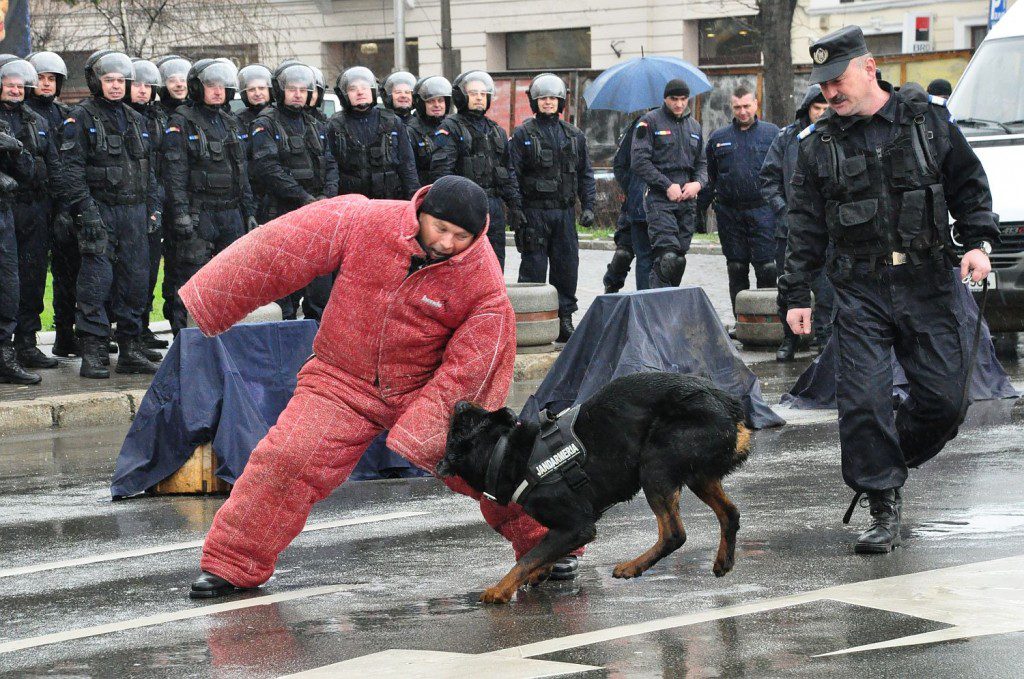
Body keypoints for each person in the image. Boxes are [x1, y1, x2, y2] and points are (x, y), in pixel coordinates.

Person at [182, 175, 559, 597]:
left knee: (492, 467)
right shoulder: (366, 219)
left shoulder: (482, 280)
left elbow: (474, 364)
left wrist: (431, 430)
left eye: (461, 237)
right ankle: (232, 565)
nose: (448, 243)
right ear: (420, 212)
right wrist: (212, 298)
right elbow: (283, 247)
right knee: (287, 458)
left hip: (426, 390)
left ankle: (552, 547)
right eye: (440, 229)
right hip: (341, 376)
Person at [779, 26, 999, 554]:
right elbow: (804, 225)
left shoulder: (926, 121)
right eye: (822, 84)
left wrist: (979, 243)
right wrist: (795, 295)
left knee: (946, 401)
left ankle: (886, 462)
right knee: (862, 402)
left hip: (927, 281)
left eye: (837, 79)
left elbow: (969, 185)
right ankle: (882, 500)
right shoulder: (818, 146)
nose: (830, 93)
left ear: (868, 66)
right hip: (859, 288)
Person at [62, 50, 161, 378]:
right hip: (100, 211)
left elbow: (148, 171)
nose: (116, 86)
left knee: (135, 281)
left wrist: (152, 208)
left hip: (134, 212)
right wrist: (86, 211)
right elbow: (71, 170)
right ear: (95, 82)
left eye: (121, 81)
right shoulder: (81, 118)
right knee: (96, 282)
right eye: (109, 81)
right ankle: (94, 352)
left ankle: (131, 349)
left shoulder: (137, 119)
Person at [162, 59, 256, 335]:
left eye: (222, 86)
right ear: (197, 87)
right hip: (198, 213)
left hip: (230, 212)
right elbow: (175, 173)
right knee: (191, 278)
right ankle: (185, 338)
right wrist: (180, 213)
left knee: (232, 277)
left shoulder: (230, 122)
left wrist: (248, 211)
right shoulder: (181, 121)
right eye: (211, 85)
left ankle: (226, 334)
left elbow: (242, 172)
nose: (217, 91)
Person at [509, 73, 595, 342]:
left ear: (561, 102)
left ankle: (564, 320)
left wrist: (588, 206)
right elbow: (512, 173)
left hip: (564, 213)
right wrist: (516, 209)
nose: (548, 102)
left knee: (566, 267)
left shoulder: (574, 135)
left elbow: (585, 175)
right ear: (535, 102)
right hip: (534, 212)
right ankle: (528, 320)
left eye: (553, 98)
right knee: (533, 267)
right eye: (543, 98)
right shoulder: (523, 134)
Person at [251, 61, 338, 321]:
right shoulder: (265, 124)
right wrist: (304, 198)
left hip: (316, 214)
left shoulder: (316, 124)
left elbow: (331, 164)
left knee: (320, 289)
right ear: (281, 90)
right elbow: (268, 168)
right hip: (281, 212)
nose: (298, 94)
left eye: (303, 89)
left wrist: (326, 198)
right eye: (292, 89)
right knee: (283, 286)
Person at [0, 57, 65, 372]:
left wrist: (16, 152)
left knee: (33, 277)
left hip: (35, 208)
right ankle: (5, 349)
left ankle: (26, 343)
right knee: (6, 280)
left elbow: (47, 167)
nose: (14, 89)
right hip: (5, 206)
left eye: (18, 85)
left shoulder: (36, 120)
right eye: (8, 84)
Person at [759, 85, 831, 361]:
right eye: (817, 108)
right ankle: (789, 339)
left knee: (827, 291)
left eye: (826, 109)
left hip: (825, 229)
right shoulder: (787, 138)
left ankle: (824, 342)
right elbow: (769, 179)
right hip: (788, 229)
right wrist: (785, 213)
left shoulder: (835, 135)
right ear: (807, 109)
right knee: (788, 286)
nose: (822, 114)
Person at [430, 70, 525, 270]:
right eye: (474, 94)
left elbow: (508, 172)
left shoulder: (496, 130)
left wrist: (516, 206)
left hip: (494, 207)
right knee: (463, 264)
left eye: (483, 94)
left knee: (495, 264)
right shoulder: (449, 128)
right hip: (464, 205)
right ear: (462, 96)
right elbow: (442, 173)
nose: (480, 98)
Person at [700, 86, 781, 315]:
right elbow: (710, 177)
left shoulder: (772, 134)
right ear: (731, 107)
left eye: (747, 106)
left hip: (763, 211)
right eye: (737, 107)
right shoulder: (718, 138)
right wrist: (700, 210)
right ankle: (742, 320)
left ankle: (768, 320)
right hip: (730, 214)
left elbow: (783, 172)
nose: (743, 111)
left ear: (756, 103)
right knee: (736, 267)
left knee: (767, 268)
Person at [26, 51, 80, 359]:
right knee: (29, 274)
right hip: (32, 202)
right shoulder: (20, 113)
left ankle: (65, 334)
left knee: (67, 271)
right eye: (40, 79)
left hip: (63, 203)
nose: (46, 85)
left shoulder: (65, 115)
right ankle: (25, 341)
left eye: (51, 79)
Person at [630, 79, 707, 289]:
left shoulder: (695, 126)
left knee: (678, 260)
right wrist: (665, 185)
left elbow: (702, 164)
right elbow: (639, 161)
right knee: (667, 257)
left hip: (687, 200)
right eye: (674, 99)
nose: (679, 104)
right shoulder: (650, 122)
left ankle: (668, 303)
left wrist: (698, 184)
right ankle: (655, 308)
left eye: (683, 99)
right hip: (660, 199)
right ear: (665, 98)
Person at [128, 58, 170, 353]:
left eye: (148, 86)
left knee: (149, 270)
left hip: (155, 198)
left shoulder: (158, 117)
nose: (143, 91)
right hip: (130, 201)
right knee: (130, 272)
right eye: (137, 85)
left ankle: (142, 328)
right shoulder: (124, 117)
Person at [328, 66, 418, 200]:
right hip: (350, 204)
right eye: (353, 89)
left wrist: (414, 199)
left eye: (364, 87)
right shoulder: (335, 125)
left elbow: (407, 165)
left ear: (372, 91)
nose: (360, 92)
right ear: (344, 94)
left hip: (387, 202)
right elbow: (330, 166)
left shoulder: (392, 122)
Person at [0, 111, 39, 383]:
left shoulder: (3, 126)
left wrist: (15, 149)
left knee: (8, 288)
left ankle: (4, 356)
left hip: (4, 215)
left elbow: (27, 174)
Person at [604, 111, 652, 293]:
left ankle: (655, 306)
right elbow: (620, 165)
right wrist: (634, 188)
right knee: (624, 254)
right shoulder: (640, 126)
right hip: (636, 206)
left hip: (664, 205)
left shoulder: (680, 126)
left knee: (667, 261)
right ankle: (611, 292)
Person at [406, 75, 452, 186]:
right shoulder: (411, 131)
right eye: (431, 101)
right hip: (424, 191)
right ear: (421, 104)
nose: (437, 105)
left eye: (440, 100)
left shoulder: (453, 127)